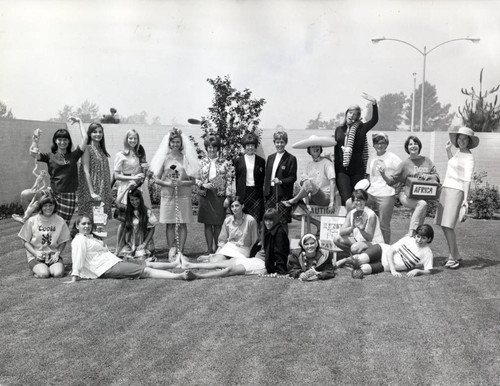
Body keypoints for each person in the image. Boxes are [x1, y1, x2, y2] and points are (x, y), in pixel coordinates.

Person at [66, 215, 195, 282]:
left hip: (114, 260)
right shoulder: (79, 240)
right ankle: (178, 276)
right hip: (106, 267)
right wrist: (75, 276)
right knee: (146, 271)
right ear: (77, 226)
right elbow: (78, 258)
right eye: (83, 224)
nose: (87, 226)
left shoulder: (89, 237)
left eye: (89, 223)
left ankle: (175, 264)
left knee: (147, 263)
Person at [21, 118, 87, 225]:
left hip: (68, 196)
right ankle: (30, 223)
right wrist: (35, 140)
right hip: (51, 193)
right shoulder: (49, 156)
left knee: (61, 228)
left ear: (69, 141)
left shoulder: (74, 156)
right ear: (55, 141)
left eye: (65, 139)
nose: (62, 142)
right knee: (25, 195)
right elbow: (33, 153)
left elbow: (85, 138)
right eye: (59, 139)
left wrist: (80, 121)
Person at [435, 127, 479, 269]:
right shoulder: (458, 153)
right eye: (459, 139)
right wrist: (448, 151)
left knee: (448, 225)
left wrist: (465, 199)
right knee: (443, 224)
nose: (461, 141)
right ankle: (455, 255)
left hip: (457, 191)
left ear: (469, 141)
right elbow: (452, 166)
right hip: (446, 188)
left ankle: (453, 257)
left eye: (464, 139)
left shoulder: (469, 158)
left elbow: (467, 180)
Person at [379, 136, 440, 237]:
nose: (413, 146)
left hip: (421, 195)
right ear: (407, 148)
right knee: (422, 204)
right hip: (406, 195)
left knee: (419, 222)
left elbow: (436, 177)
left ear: (419, 146)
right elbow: (391, 181)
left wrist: (428, 176)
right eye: (410, 144)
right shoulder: (404, 164)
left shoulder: (427, 161)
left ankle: (414, 241)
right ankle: (411, 233)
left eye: (415, 144)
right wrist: (383, 174)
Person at [150, 128, 199, 253]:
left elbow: (193, 181)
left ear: (181, 143)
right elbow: (156, 179)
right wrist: (167, 183)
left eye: (178, 142)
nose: (175, 144)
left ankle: (180, 250)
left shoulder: (186, 159)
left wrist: (181, 182)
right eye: (173, 142)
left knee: (182, 224)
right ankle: (171, 250)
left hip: (183, 194)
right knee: (170, 224)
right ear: (169, 143)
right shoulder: (164, 159)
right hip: (168, 194)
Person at [282, 135, 337, 234]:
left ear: (320, 149)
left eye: (317, 147)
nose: (315, 149)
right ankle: (317, 224)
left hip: (325, 197)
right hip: (312, 197)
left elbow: (332, 182)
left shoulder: (327, 163)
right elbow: (305, 184)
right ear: (309, 150)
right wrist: (306, 203)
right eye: (312, 147)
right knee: (292, 211)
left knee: (309, 182)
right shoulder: (309, 165)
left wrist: (332, 202)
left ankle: (294, 200)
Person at [338, 224, 434, 278]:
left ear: (429, 239)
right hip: (382, 250)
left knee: (364, 270)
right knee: (362, 258)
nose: (419, 240)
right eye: (418, 236)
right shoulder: (408, 240)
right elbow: (390, 252)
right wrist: (393, 271)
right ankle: (344, 260)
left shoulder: (427, 252)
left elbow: (429, 270)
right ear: (415, 235)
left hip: (384, 266)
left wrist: (418, 270)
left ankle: (348, 265)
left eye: (423, 238)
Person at [333, 93, 378, 206]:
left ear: (358, 117)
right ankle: (347, 222)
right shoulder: (339, 129)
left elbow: (374, 120)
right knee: (346, 200)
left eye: (355, 114)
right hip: (342, 171)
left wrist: (374, 103)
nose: (352, 115)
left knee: (357, 198)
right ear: (346, 113)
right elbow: (336, 151)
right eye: (350, 112)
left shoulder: (362, 128)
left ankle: (356, 221)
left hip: (357, 170)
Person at [18, 194, 71, 278]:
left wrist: (57, 253)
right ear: (40, 207)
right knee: (44, 274)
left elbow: (63, 241)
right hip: (36, 256)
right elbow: (24, 241)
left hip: (53, 254)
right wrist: (35, 253)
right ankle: (40, 270)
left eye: (51, 205)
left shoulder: (60, 220)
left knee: (58, 274)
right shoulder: (32, 220)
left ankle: (50, 267)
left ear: (54, 206)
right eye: (45, 205)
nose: (48, 208)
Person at [196, 134, 233, 254]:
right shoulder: (200, 162)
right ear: (206, 148)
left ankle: (218, 249)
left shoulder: (225, 163)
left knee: (218, 224)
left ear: (218, 148)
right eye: (209, 147)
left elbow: (229, 180)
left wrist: (228, 197)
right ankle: (208, 249)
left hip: (219, 196)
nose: (212, 150)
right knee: (207, 224)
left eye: (214, 147)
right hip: (205, 195)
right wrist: (203, 184)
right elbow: (195, 178)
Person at [197, 196, 259, 263]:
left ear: (242, 206)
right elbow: (222, 241)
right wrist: (216, 254)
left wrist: (252, 257)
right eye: (232, 206)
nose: (234, 208)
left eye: (237, 206)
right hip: (230, 247)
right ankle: (213, 258)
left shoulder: (250, 220)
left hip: (243, 249)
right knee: (217, 261)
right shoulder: (227, 221)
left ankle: (212, 259)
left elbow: (255, 241)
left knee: (233, 263)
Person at [365, 132, 402, 243]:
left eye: (382, 143)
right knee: (353, 207)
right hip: (371, 192)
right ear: (374, 145)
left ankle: (385, 248)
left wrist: (397, 187)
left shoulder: (392, 157)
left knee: (384, 223)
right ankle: (364, 243)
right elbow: (368, 176)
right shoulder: (371, 157)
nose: (379, 146)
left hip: (386, 193)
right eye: (377, 143)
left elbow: (403, 171)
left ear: (386, 144)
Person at [263, 130, 297, 233]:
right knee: (269, 221)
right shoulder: (270, 158)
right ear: (274, 143)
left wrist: (281, 181)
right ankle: (270, 246)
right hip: (270, 194)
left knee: (283, 221)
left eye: (282, 142)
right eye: (277, 142)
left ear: (285, 143)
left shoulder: (291, 158)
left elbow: (292, 178)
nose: (279, 145)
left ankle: (283, 247)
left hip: (283, 194)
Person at [77, 122, 113, 218]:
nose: (98, 134)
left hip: (103, 191)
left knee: (101, 223)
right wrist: (92, 192)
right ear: (90, 134)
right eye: (94, 132)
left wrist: (109, 191)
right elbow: (86, 171)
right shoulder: (87, 149)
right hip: (93, 191)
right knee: (90, 222)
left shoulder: (101, 150)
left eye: (100, 132)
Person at [333, 189, 384, 256]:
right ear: (353, 202)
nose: (359, 203)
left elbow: (369, 238)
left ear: (365, 201)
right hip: (358, 240)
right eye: (356, 200)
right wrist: (352, 227)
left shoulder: (371, 215)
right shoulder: (351, 213)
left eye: (361, 200)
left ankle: (365, 257)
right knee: (337, 239)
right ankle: (353, 255)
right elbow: (341, 232)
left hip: (374, 243)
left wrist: (361, 229)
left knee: (355, 247)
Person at [115, 186, 158, 259]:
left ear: (140, 199)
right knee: (124, 258)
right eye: (132, 200)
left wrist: (144, 244)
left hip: (143, 243)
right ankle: (120, 248)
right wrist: (126, 188)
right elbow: (117, 202)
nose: (135, 202)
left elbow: (152, 229)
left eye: (137, 199)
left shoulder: (146, 212)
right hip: (130, 244)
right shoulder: (127, 210)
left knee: (141, 259)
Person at [113, 129, 151, 208]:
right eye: (130, 138)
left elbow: (141, 171)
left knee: (143, 213)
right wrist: (133, 177)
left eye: (135, 138)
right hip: (127, 185)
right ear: (126, 139)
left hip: (140, 185)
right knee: (128, 212)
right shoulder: (120, 155)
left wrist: (146, 171)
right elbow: (116, 176)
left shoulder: (139, 153)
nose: (133, 140)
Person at [233, 132, 266, 223]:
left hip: (256, 194)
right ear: (244, 147)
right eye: (248, 145)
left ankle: (256, 237)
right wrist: (237, 195)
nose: (250, 147)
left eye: (252, 145)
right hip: (243, 193)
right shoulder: (238, 161)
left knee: (255, 220)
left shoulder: (261, 161)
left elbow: (263, 178)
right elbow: (236, 178)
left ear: (255, 147)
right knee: (242, 220)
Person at [253, 208, 290, 275]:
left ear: (275, 220)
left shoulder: (279, 233)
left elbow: (280, 253)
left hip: (264, 261)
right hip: (259, 258)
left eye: (270, 220)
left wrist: (281, 270)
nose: (267, 223)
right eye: (266, 220)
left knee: (234, 268)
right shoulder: (266, 230)